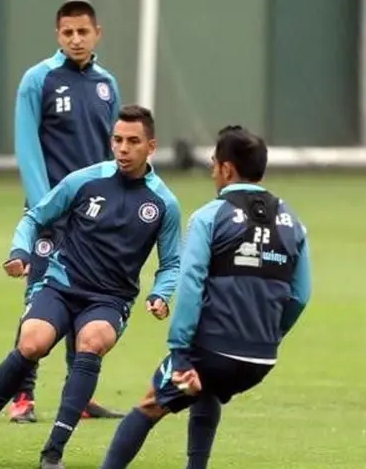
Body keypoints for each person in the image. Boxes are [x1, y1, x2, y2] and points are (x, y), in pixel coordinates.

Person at [0, 105, 181, 469]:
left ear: (151, 146)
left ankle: (53, 451)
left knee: (92, 341)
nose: (122, 148)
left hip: (109, 299)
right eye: (117, 140)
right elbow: (35, 217)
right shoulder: (84, 180)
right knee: (31, 342)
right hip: (61, 285)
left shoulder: (163, 203)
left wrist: (160, 294)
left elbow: (172, 263)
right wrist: (20, 252)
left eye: (133, 141)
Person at [99, 125, 313, 469]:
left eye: (214, 164)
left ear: (227, 169)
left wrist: (181, 353)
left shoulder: (210, 216)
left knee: (150, 405)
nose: (212, 171)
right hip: (261, 359)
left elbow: (191, 282)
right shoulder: (292, 221)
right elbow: (301, 295)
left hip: (212, 352)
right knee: (207, 389)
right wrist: (270, 334)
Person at [11, 0, 124, 423]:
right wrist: (47, 209)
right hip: (49, 216)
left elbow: (114, 153)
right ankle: (22, 398)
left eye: (83, 32)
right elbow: (27, 148)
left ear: (98, 33)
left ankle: (78, 400)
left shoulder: (107, 85)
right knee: (40, 300)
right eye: (67, 33)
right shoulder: (38, 80)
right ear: (58, 35)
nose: (76, 39)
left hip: (93, 216)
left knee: (89, 299)